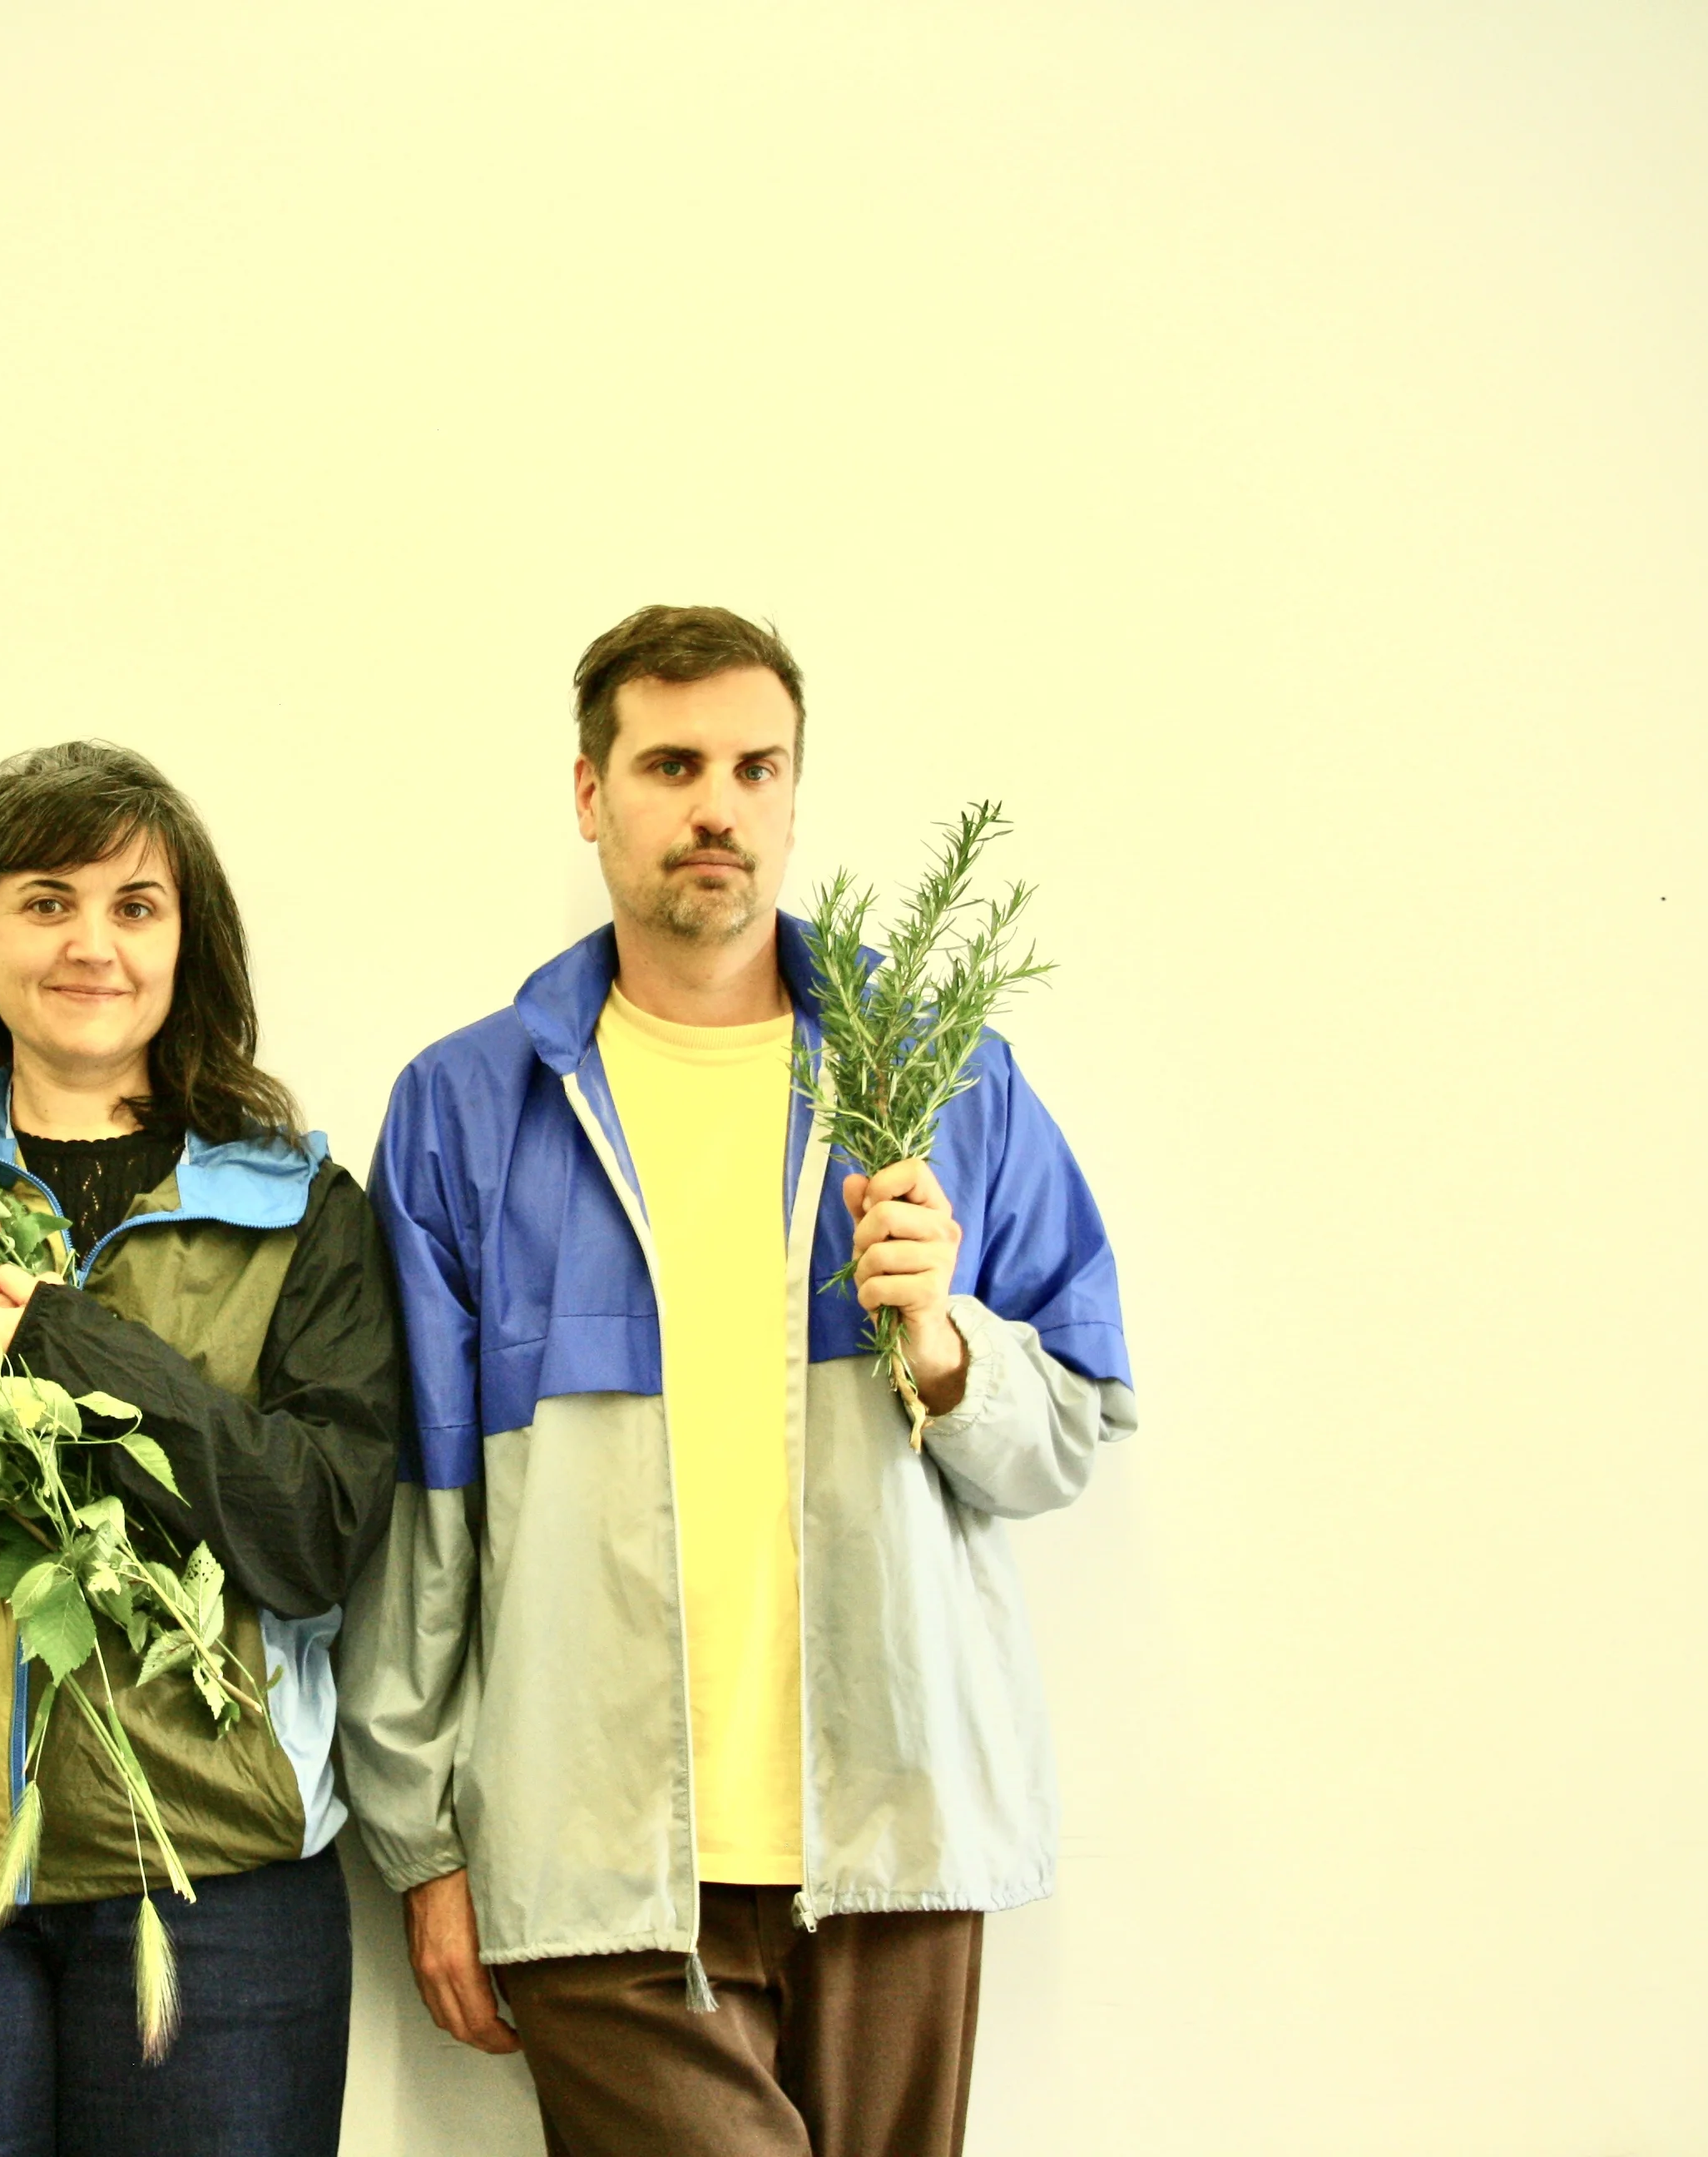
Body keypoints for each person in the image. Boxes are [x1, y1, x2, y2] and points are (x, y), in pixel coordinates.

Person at [336, 607, 1134, 2157]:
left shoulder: (942, 1078)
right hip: (592, 1857)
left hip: (895, 1841)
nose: (718, 805)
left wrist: (944, 1342)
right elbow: (424, 1512)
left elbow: (1069, 1438)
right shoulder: (465, 1110)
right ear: (591, 794)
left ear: (793, 795)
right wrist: (424, 1842)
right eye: (673, 765)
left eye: (756, 768)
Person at [0, 741, 409, 2157]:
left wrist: (59, 1345)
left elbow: (315, 1535)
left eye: (135, 906)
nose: (90, 945)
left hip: (210, 1877)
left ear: (189, 945)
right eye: (45, 902)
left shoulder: (306, 1214)